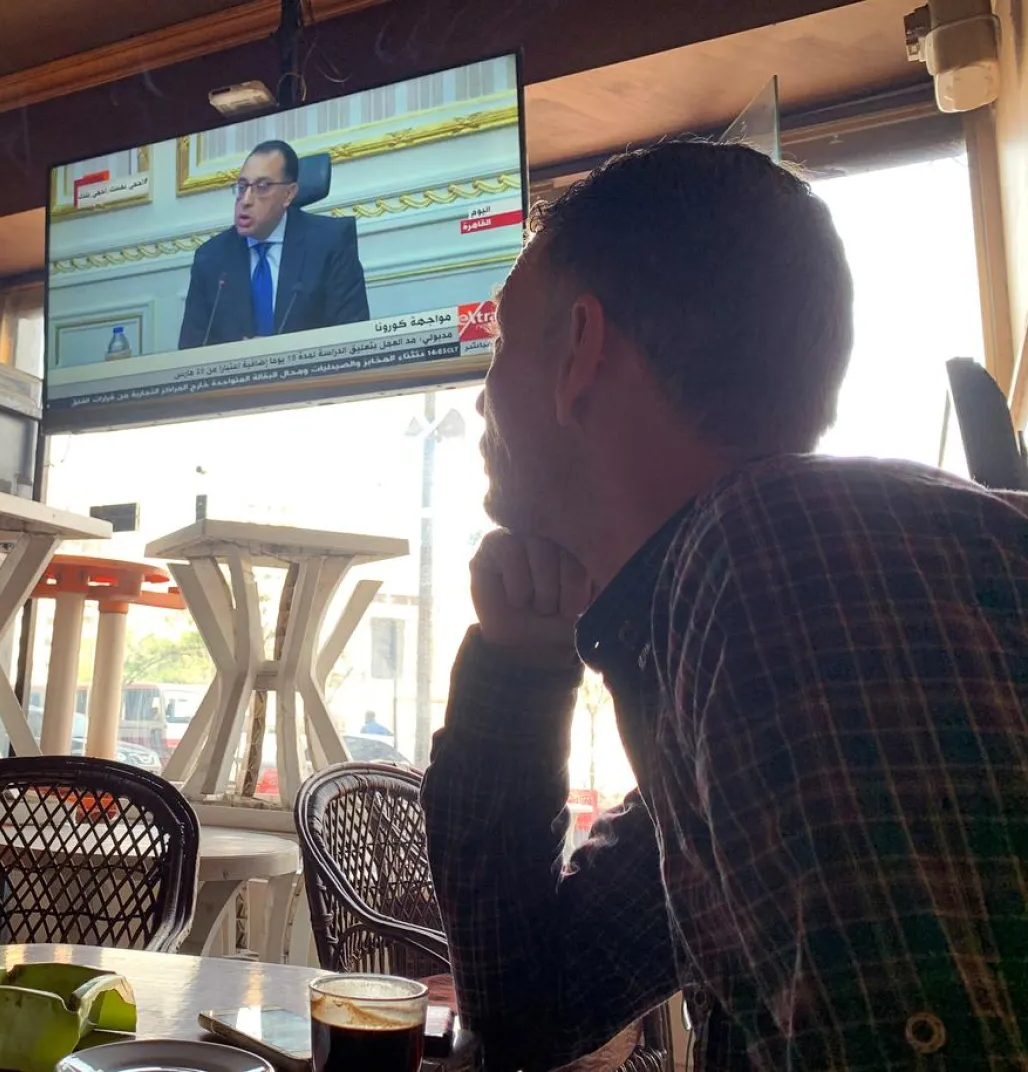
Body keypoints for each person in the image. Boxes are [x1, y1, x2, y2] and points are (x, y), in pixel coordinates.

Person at [421, 140, 1028, 1072]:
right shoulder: (747, 590)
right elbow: (532, 1005)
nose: (481, 398)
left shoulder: (772, 553)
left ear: (580, 350)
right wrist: (519, 669)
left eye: (503, 342)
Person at [178, 139, 369, 349]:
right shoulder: (211, 259)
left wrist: (281, 351)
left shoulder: (330, 243)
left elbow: (352, 337)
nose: (246, 200)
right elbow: (192, 350)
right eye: (242, 187)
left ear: (289, 194)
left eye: (262, 187)